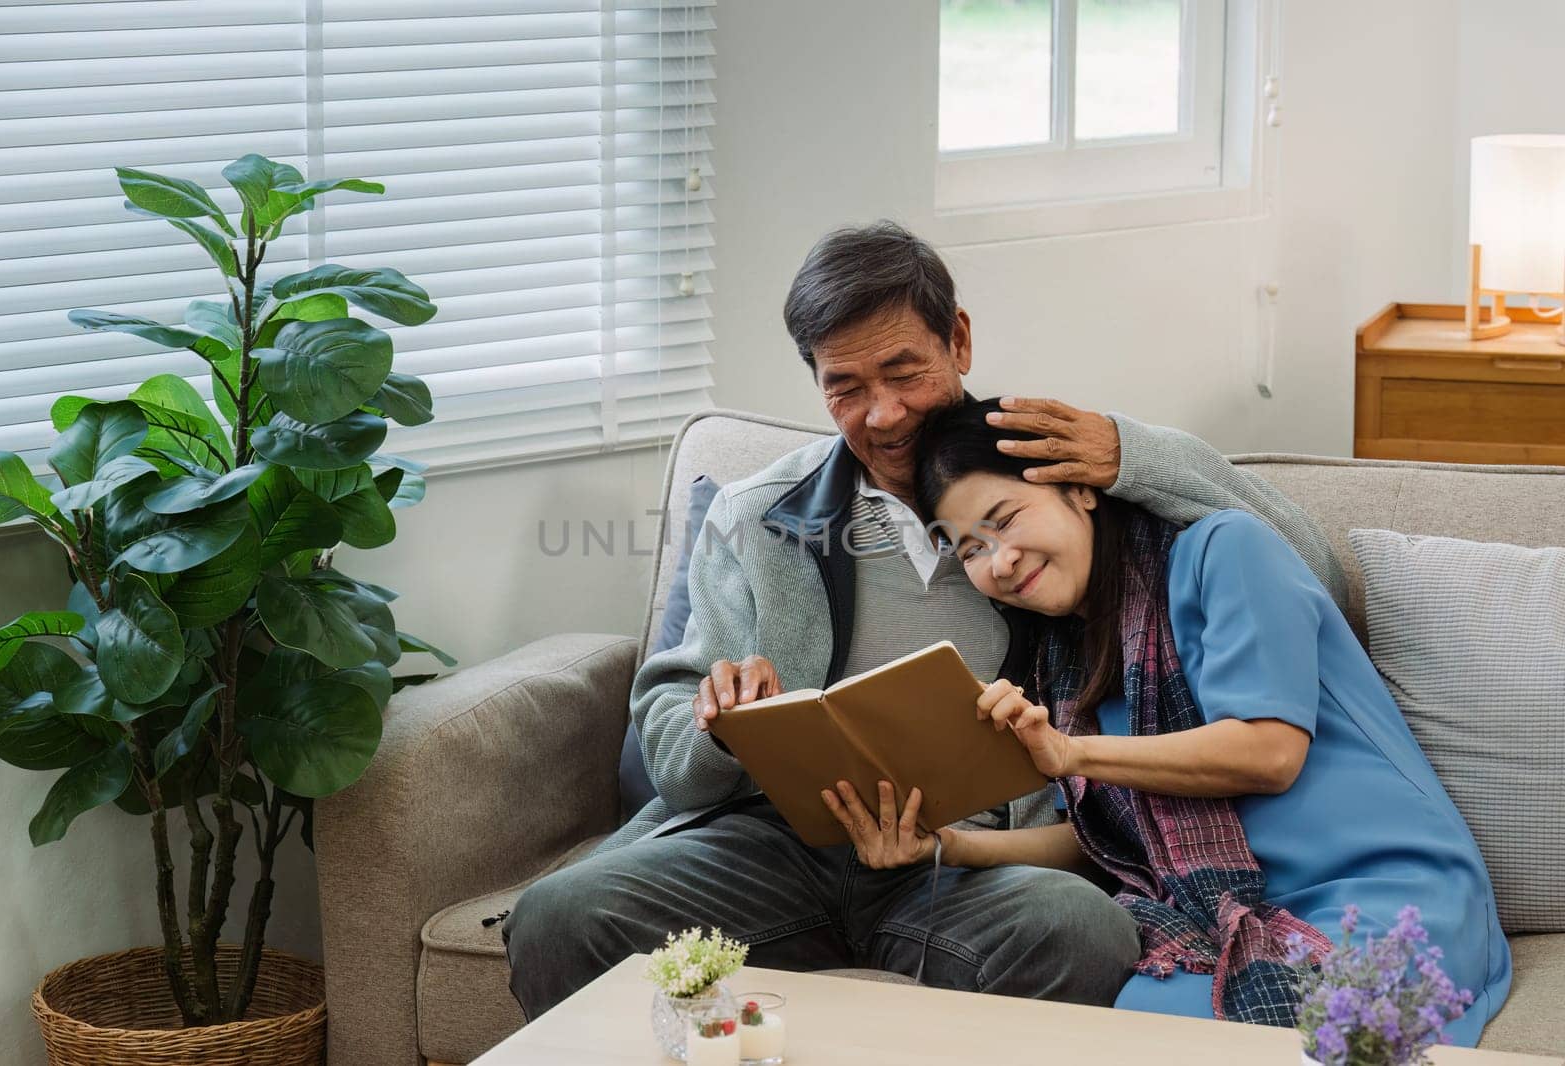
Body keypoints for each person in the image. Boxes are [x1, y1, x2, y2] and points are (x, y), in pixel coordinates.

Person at [502, 220, 1349, 1019]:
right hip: (774, 846)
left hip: (974, 862)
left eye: (905, 373)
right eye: (846, 387)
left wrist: (1138, 455)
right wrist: (717, 727)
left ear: (961, 341)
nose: (883, 413)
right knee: (561, 914)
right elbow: (677, 764)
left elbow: (1309, 573)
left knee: (1080, 930)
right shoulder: (757, 516)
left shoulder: (1059, 480)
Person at [832, 396, 1509, 1041]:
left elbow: (1269, 754)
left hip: (1393, 895)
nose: (999, 561)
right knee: (1139, 1009)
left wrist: (1070, 756)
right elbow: (1102, 844)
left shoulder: (1226, 551)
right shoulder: (1065, 665)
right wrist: (945, 844)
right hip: (1230, 919)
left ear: (1080, 489)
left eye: (1006, 519)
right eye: (970, 549)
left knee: (1208, 1030)